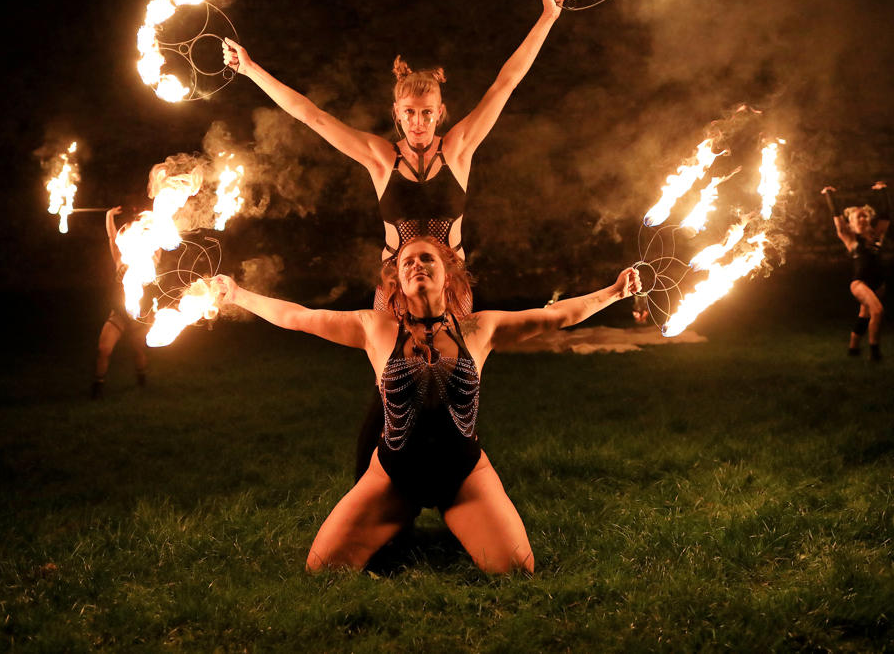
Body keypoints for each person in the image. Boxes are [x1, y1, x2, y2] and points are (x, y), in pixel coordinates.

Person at [224, 0, 569, 477]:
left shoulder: (460, 148)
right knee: (394, 380)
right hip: (395, 284)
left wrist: (547, 18)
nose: (419, 122)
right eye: (410, 113)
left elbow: (506, 83)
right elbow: (312, 116)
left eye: (428, 113)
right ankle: (376, 476)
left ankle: (458, 476)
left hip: (452, 285)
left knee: (453, 378)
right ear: (396, 113)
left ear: (440, 113)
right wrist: (252, 68)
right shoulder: (379, 159)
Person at [217, 236, 641, 574]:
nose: (417, 265)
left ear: (447, 276)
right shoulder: (375, 328)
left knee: (516, 569)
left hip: (464, 473)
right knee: (321, 570)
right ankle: (397, 520)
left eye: (427, 259)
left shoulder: (480, 328)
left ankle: (455, 520)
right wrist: (237, 295)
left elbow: (555, 316)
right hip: (394, 474)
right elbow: (298, 316)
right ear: (398, 282)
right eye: (407, 262)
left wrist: (614, 293)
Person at [821, 182, 890, 360]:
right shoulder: (850, 238)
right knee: (877, 311)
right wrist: (830, 196)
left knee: (864, 315)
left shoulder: (877, 235)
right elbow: (837, 218)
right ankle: (875, 353)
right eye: (858, 217)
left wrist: (882, 191)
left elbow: (886, 215)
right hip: (860, 283)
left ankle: (853, 349)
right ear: (851, 223)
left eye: (865, 216)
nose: (862, 219)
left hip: (879, 283)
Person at [91, 206, 150, 398]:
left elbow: (157, 239)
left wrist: (149, 221)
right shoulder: (120, 260)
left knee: (138, 350)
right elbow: (112, 238)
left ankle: (142, 383)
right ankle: (97, 387)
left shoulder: (149, 258)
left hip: (139, 316)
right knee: (103, 349)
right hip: (118, 314)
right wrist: (109, 216)